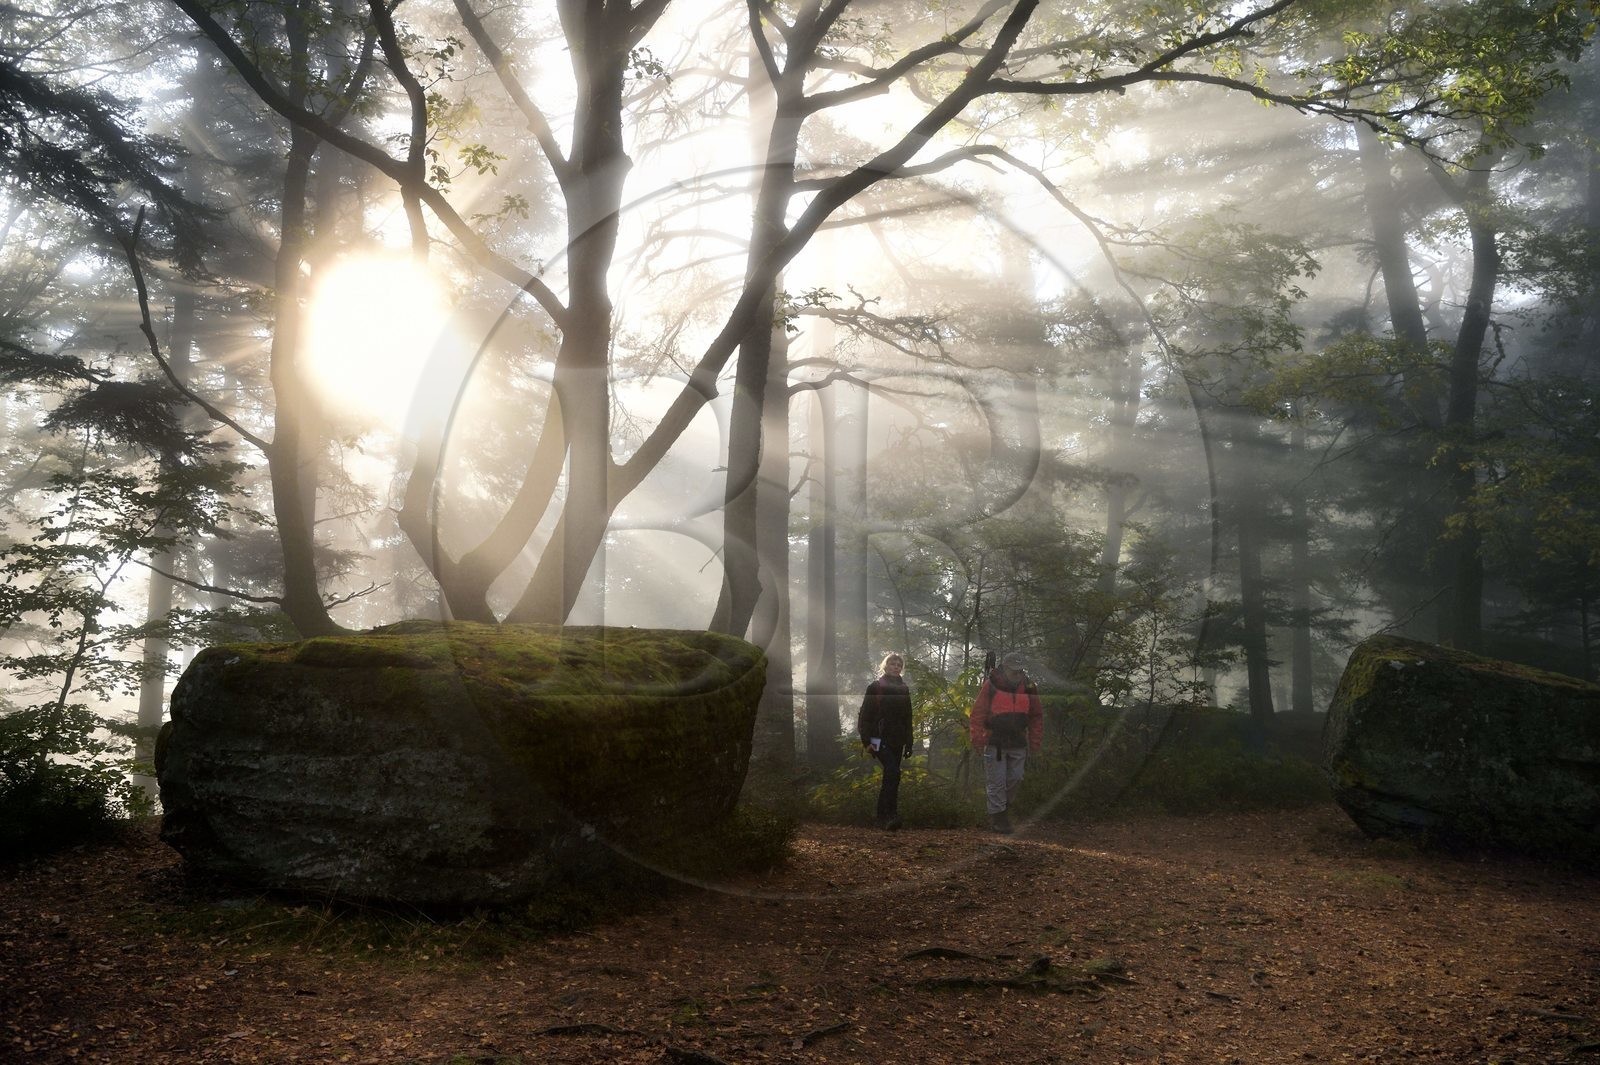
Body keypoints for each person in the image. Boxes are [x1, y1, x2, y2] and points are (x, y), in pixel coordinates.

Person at [969, 651, 1042, 834]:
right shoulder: (991, 684)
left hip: (1018, 741)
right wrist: (977, 739)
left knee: (1016, 778)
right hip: (995, 741)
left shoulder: (1029, 686)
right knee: (997, 781)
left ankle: (1003, 809)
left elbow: (1036, 716)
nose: (1017, 673)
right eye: (1013, 670)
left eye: (1020, 670)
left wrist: (1035, 742)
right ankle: (998, 818)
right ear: (1005, 668)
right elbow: (978, 713)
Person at [858, 652, 914, 831]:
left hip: (897, 739)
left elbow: (908, 717)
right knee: (892, 771)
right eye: (892, 664)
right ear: (885, 666)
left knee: (893, 776)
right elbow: (865, 716)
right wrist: (866, 742)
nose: (896, 667)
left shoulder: (904, 689)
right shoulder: (875, 687)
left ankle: (888, 816)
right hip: (877, 738)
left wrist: (909, 742)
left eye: (899, 665)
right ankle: (887, 816)